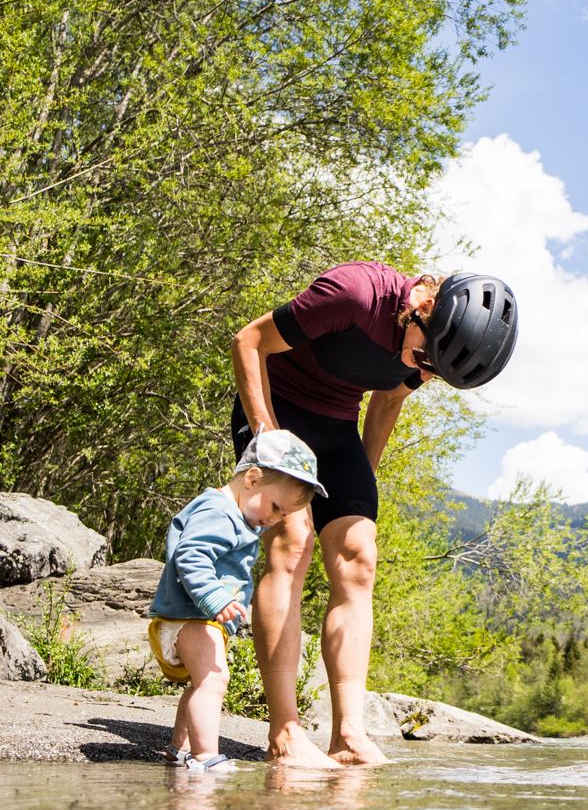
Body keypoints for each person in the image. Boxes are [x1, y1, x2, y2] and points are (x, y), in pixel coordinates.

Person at [230, 262, 518, 768]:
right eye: (426, 358)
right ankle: (284, 732)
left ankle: (349, 735)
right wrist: (267, 439)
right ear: (423, 307)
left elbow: (387, 400)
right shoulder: (354, 295)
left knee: (359, 556)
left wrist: (358, 490)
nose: (425, 372)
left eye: (437, 373)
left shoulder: (431, 349)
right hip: (279, 407)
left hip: (337, 426)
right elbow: (249, 342)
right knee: (292, 541)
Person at [147, 429, 326, 771]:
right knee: (214, 680)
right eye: (275, 507)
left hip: (198, 618)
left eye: (283, 516)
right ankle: (206, 757)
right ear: (252, 477)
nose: (274, 519)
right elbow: (191, 555)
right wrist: (215, 599)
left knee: (202, 683)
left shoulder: (237, 516)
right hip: (192, 616)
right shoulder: (220, 510)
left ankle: (180, 748)